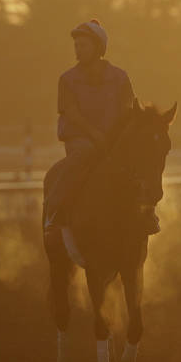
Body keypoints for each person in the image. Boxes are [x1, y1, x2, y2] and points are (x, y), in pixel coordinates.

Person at [44, 19, 158, 235]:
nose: (78, 50)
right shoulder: (67, 79)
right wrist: (95, 134)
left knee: (137, 164)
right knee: (82, 155)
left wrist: (119, 135)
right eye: (76, 45)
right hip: (81, 140)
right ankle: (55, 212)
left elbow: (128, 110)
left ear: (98, 47)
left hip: (113, 140)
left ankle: (147, 213)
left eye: (83, 45)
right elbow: (72, 114)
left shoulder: (120, 77)